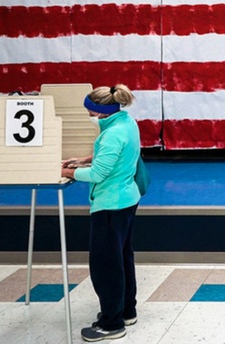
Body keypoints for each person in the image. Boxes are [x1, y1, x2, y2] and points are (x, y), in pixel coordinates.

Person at [61, 85, 142, 342]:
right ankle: (127, 310)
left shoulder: (111, 135)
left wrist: (68, 173)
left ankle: (111, 323)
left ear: (101, 113)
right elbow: (116, 156)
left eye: (90, 112)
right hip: (128, 199)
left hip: (110, 206)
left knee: (106, 266)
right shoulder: (127, 122)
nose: (89, 116)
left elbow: (98, 175)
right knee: (122, 259)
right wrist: (84, 160)